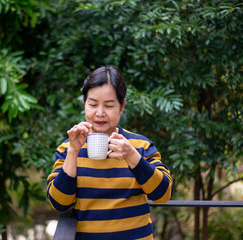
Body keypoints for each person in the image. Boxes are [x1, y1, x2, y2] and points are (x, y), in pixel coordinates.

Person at [47, 65, 172, 240]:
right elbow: (59, 203)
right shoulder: (68, 148)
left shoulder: (140, 145)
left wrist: (131, 155)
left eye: (109, 105)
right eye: (92, 104)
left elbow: (163, 195)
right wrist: (73, 153)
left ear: (122, 107)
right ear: (84, 103)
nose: (99, 113)